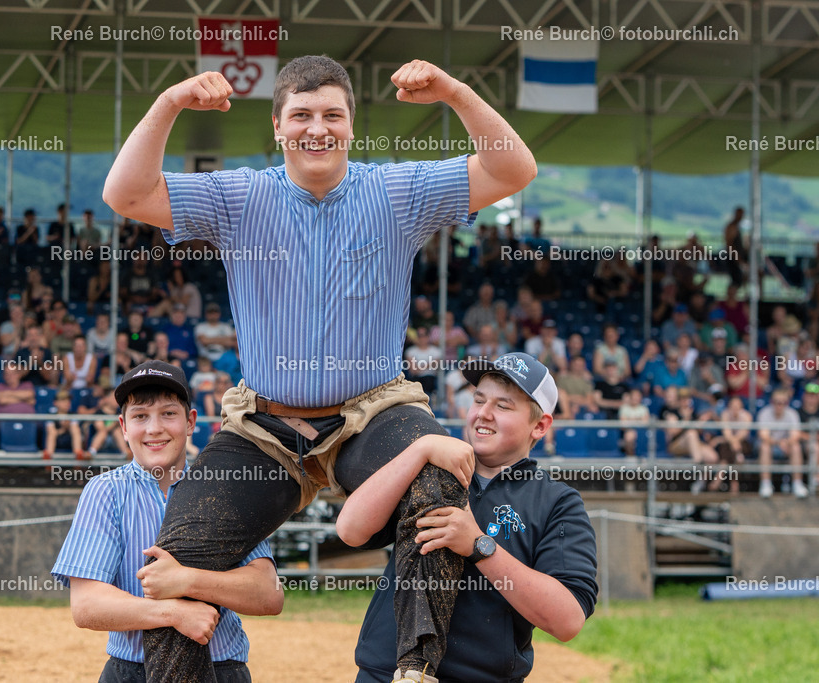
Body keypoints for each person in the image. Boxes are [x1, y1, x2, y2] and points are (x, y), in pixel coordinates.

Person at [102, 54, 537, 681]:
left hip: (375, 411)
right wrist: (169, 102)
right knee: (179, 551)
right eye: (301, 115)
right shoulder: (239, 196)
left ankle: (414, 673)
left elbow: (512, 168)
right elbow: (128, 193)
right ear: (277, 127)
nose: (318, 128)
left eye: (333, 114)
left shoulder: (397, 191)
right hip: (264, 424)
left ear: (351, 126)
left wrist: (454, 89)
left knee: (438, 481)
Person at [341, 352, 598, 682]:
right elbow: (351, 530)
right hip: (384, 675)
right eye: (478, 400)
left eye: (503, 406)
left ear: (540, 425)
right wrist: (419, 450)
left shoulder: (557, 502)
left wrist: (477, 545)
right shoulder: (427, 466)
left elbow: (567, 620)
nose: (484, 415)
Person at [52, 361, 283, 681]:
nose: (154, 428)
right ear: (123, 426)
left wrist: (186, 580)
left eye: (168, 413)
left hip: (220, 670)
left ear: (190, 422)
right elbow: (86, 605)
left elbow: (268, 595)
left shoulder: (226, 489)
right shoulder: (105, 491)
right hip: (132, 671)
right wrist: (173, 613)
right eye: (140, 416)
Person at [756, 388, 808, 498]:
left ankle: (797, 483)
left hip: (786, 446)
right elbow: (763, 436)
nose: (779, 405)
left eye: (783, 403)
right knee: (765, 447)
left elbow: (795, 435)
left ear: (787, 403)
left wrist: (787, 442)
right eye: (777, 402)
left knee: (796, 447)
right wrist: (780, 443)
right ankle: (766, 484)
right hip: (770, 445)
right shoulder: (764, 413)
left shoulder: (792, 414)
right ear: (771, 402)